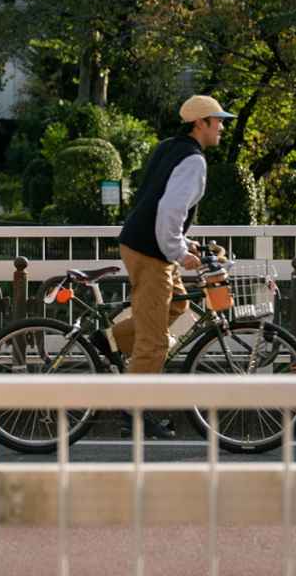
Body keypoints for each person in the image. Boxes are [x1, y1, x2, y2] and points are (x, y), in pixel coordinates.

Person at [111, 94, 236, 438]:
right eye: (218, 120)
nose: (222, 127)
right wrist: (180, 252)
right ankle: (132, 413)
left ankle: (106, 341)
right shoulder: (194, 161)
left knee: (179, 304)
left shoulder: (169, 146)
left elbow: (153, 198)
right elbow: (169, 210)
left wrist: (184, 243)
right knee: (154, 343)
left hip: (140, 242)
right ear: (201, 123)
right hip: (152, 252)